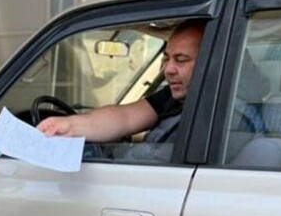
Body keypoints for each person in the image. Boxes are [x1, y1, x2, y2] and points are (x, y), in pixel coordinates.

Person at [37, 19, 205, 155]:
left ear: (209, 60)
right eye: (166, 59)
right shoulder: (176, 95)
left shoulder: (221, 112)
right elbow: (126, 117)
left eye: (181, 60)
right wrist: (70, 126)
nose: (168, 69)